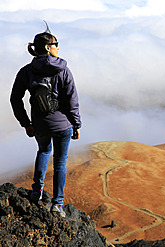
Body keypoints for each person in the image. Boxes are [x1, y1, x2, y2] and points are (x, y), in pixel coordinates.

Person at [10, 26, 81, 217]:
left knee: (43, 151)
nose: (58, 47)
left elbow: (15, 99)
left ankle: (36, 191)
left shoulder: (26, 71)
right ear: (48, 48)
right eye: (56, 44)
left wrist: (26, 123)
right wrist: (76, 124)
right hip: (63, 125)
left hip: (40, 124)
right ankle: (58, 204)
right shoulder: (64, 71)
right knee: (60, 162)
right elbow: (72, 99)